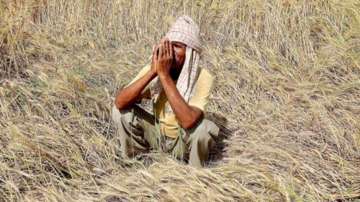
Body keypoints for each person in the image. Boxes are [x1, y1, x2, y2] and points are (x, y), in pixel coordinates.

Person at [111, 15, 219, 168]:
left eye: (177, 46)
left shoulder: (203, 77)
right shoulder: (156, 69)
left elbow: (189, 121)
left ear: (189, 53)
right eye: (169, 45)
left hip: (182, 142)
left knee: (203, 129)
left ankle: (195, 178)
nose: (170, 52)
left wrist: (164, 75)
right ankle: (135, 163)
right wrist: (153, 72)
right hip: (157, 134)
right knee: (120, 112)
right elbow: (120, 102)